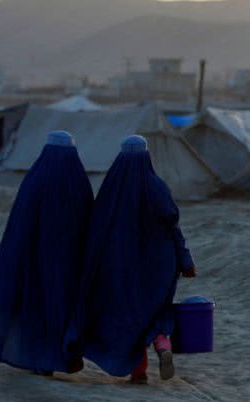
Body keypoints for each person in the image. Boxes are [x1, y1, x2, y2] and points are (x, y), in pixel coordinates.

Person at [67, 135, 196, 384]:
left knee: (128, 315)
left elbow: (96, 229)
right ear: (147, 157)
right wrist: (186, 261)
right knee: (156, 309)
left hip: (119, 264)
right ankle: (161, 343)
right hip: (160, 264)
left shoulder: (111, 189)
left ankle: (139, 371)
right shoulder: (157, 186)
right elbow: (173, 227)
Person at [0, 130, 94, 375]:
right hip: (68, 263)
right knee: (63, 308)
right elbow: (89, 222)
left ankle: (38, 359)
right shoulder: (78, 181)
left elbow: (18, 224)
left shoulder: (34, 180)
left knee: (35, 306)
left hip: (34, 260)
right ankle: (63, 357)